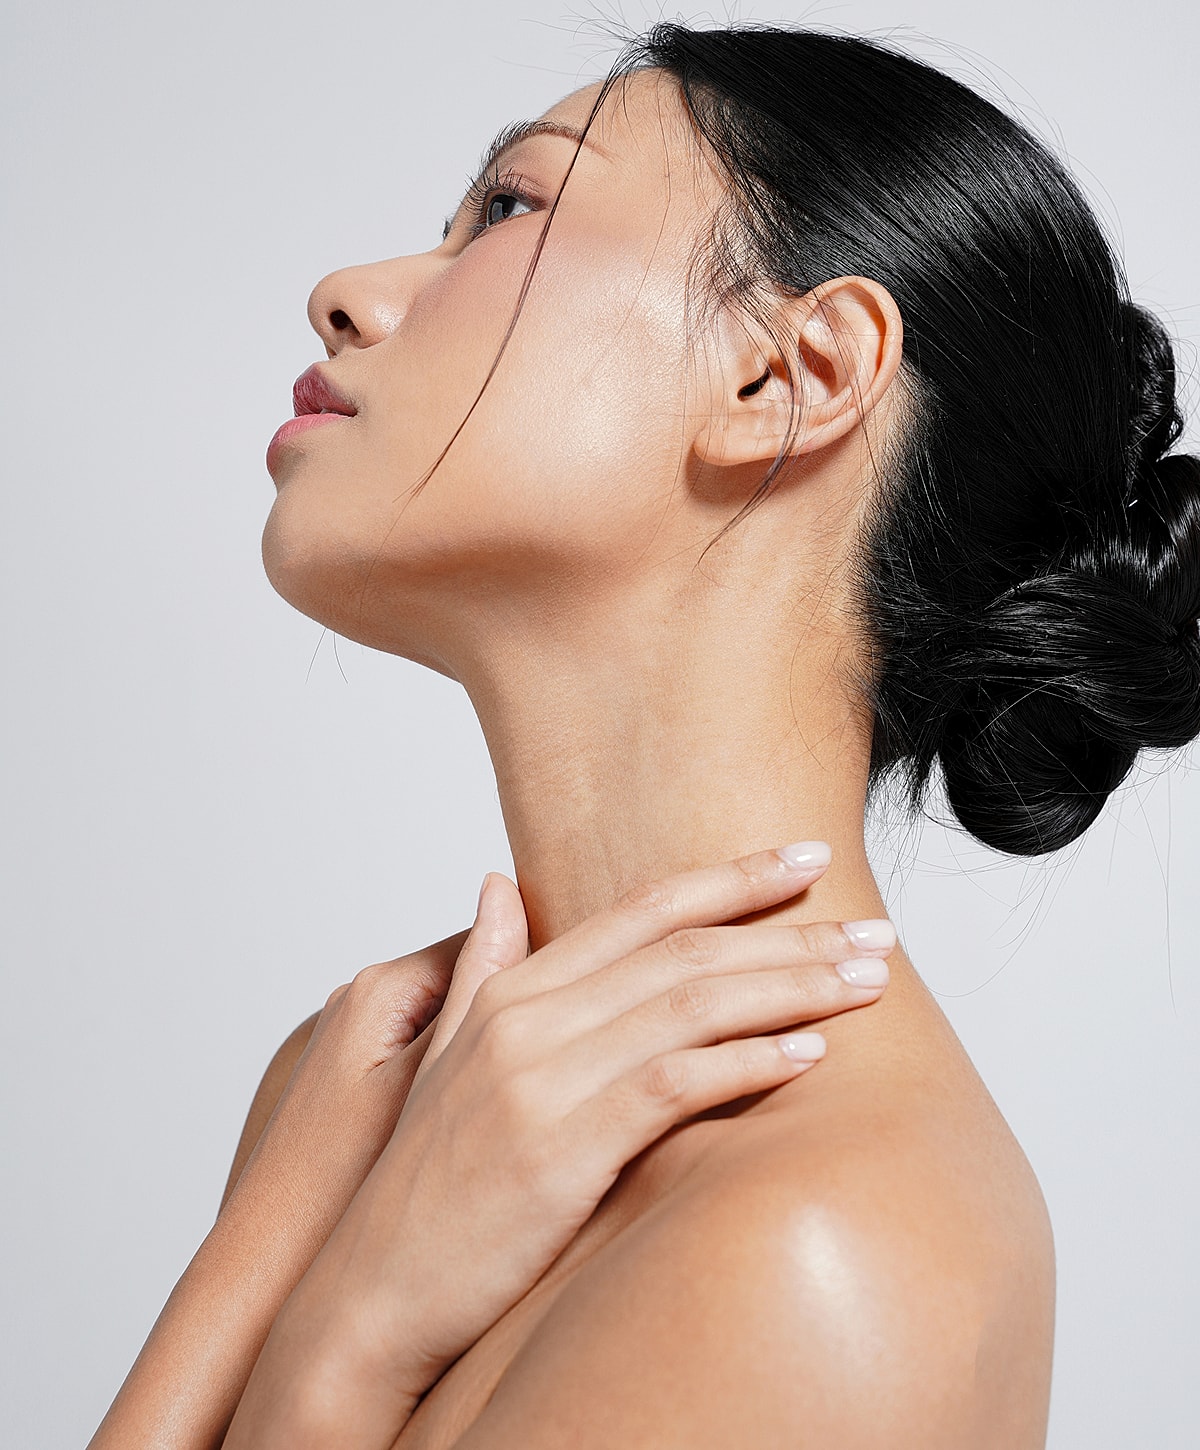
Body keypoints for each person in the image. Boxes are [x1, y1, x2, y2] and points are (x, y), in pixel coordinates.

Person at [89, 21, 1200, 1449]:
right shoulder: (356, 1093)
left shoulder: (826, 1246)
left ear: (786, 377)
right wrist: (276, 1230)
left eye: (509, 208)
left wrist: (342, 1336)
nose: (342, 294)